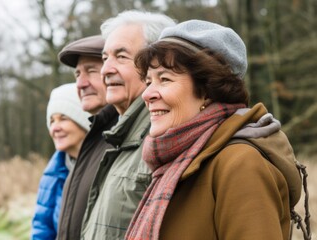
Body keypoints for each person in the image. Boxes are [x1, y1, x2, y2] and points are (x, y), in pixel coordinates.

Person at [125, 20, 302, 240]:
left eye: (164, 79)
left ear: (208, 89)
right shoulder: (177, 163)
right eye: (148, 81)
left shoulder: (240, 164)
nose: (147, 94)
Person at [80, 10, 176, 240]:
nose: (106, 69)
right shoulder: (120, 136)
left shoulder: (164, 139)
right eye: (105, 58)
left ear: (157, 64)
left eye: (121, 56)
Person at [56, 35, 119, 239]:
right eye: (77, 74)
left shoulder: (122, 140)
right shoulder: (95, 138)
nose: (81, 84)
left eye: (91, 71)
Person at [31, 83, 91, 239]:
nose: (55, 128)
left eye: (63, 118)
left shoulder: (105, 168)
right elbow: (42, 229)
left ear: (84, 122)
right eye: (52, 121)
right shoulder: (53, 173)